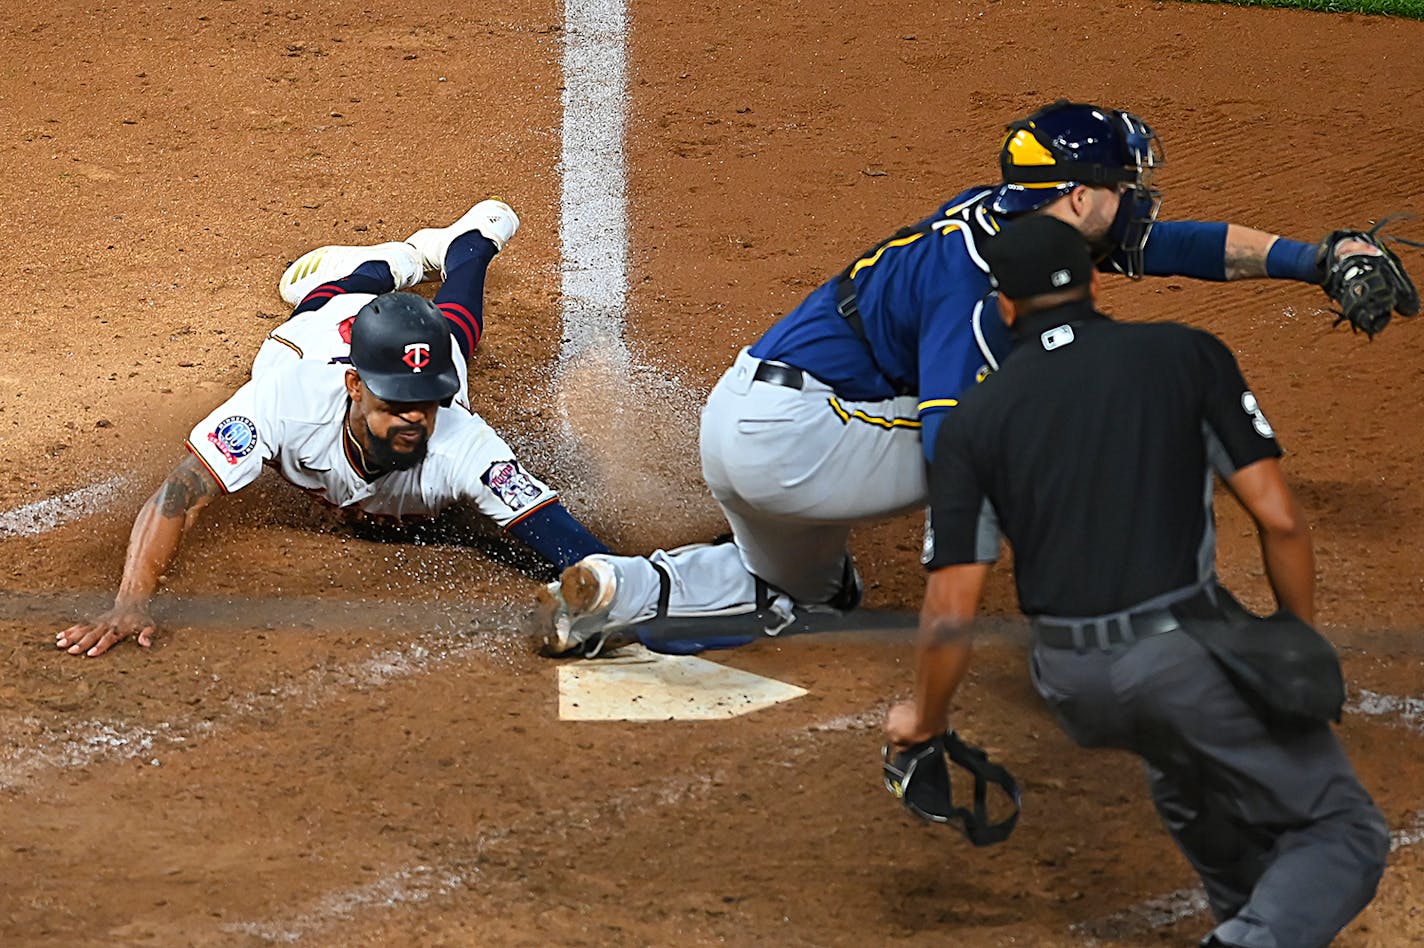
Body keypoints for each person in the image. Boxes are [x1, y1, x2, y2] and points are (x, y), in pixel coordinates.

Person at [535, 99, 1417, 657]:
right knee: (1052, 420)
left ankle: (620, 589)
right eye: (1122, 183)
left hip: (758, 422)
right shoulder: (978, 281)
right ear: (1078, 196)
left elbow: (1171, 243)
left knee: (807, 595)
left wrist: (1316, 257)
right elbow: (953, 439)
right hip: (804, 440)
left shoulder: (1011, 216)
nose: (1136, 198)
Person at [883, 214, 1388, 947]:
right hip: (1177, 657)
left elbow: (952, 606)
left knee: (1190, 779)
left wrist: (923, 721)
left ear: (1003, 308)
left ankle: (1245, 922)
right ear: (1092, 282)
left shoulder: (973, 421)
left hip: (1072, 683)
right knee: (1344, 833)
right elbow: (1278, 519)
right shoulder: (1185, 355)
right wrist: (1294, 636)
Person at [57, 199, 609, 657]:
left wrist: (618, 589)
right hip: (317, 342)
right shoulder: (284, 400)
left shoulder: (462, 442)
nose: (415, 417)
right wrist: (131, 601)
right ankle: (397, 261)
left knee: (456, 337)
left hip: (404, 357)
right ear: (355, 386)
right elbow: (180, 493)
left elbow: (561, 535)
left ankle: (472, 244)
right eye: (397, 402)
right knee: (323, 306)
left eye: (427, 401)